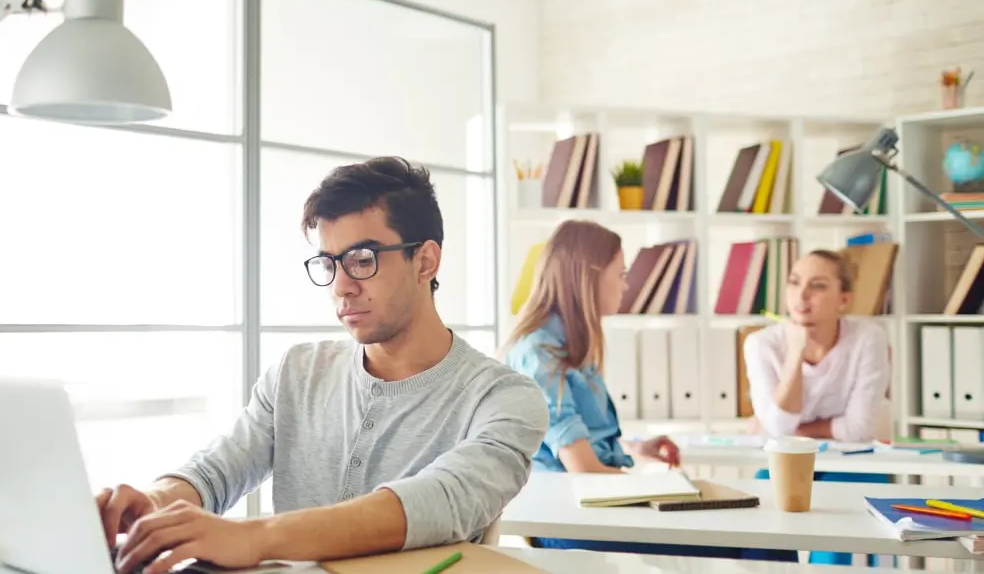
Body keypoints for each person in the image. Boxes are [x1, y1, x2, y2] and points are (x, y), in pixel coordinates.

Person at [94, 157, 549, 574]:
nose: (342, 286)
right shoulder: (298, 371)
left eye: (362, 259)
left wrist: (251, 538)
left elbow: (440, 501)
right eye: (328, 263)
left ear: (425, 260)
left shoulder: (505, 398)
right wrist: (154, 504)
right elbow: (218, 469)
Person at [502, 219, 793, 562]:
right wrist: (667, 489)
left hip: (592, 507)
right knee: (762, 538)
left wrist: (637, 448)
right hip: (571, 523)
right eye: (620, 274)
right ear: (589, 276)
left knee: (767, 531)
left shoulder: (572, 346)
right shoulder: (541, 355)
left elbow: (584, 445)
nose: (626, 285)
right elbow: (582, 468)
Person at [745, 248, 891, 566]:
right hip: (784, 462)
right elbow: (779, 430)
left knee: (833, 530)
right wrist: (796, 353)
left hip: (852, 463)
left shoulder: (869, 338)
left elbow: (858, 430)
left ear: (844, 299)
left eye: (819, 285)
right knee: (760, 527)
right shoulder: (762, 344)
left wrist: (794, 430)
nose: (802, 295)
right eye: (794, 282)